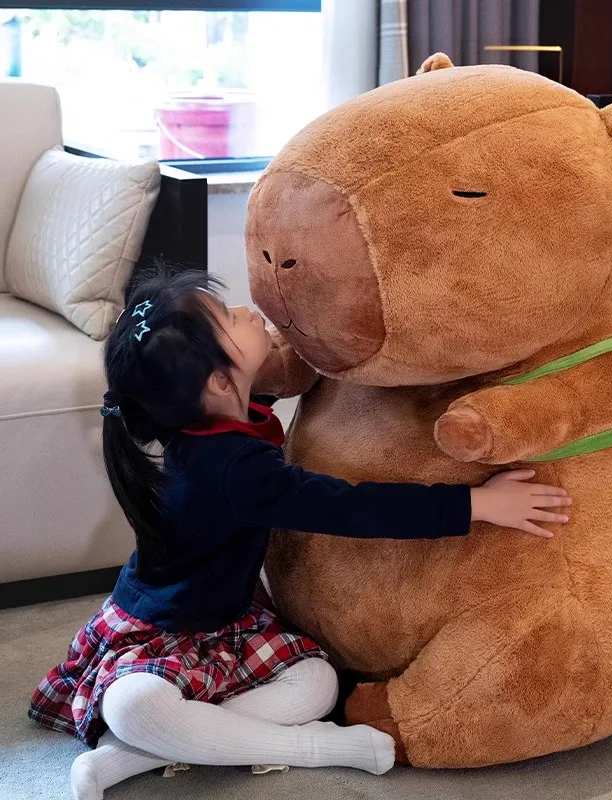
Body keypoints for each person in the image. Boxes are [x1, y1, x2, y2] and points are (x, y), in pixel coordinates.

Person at [29, 267, 572, 800]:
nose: (245, 311)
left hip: (227, 624)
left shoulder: (209, 423)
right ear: (219, 382)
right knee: (134, 705)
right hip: (163, 631)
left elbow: (262, 404)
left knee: (318, 683)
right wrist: (476, 503)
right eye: (229, 318)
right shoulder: (233, 471)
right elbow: (352, 508)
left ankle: (128, 757)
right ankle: (315, 748)